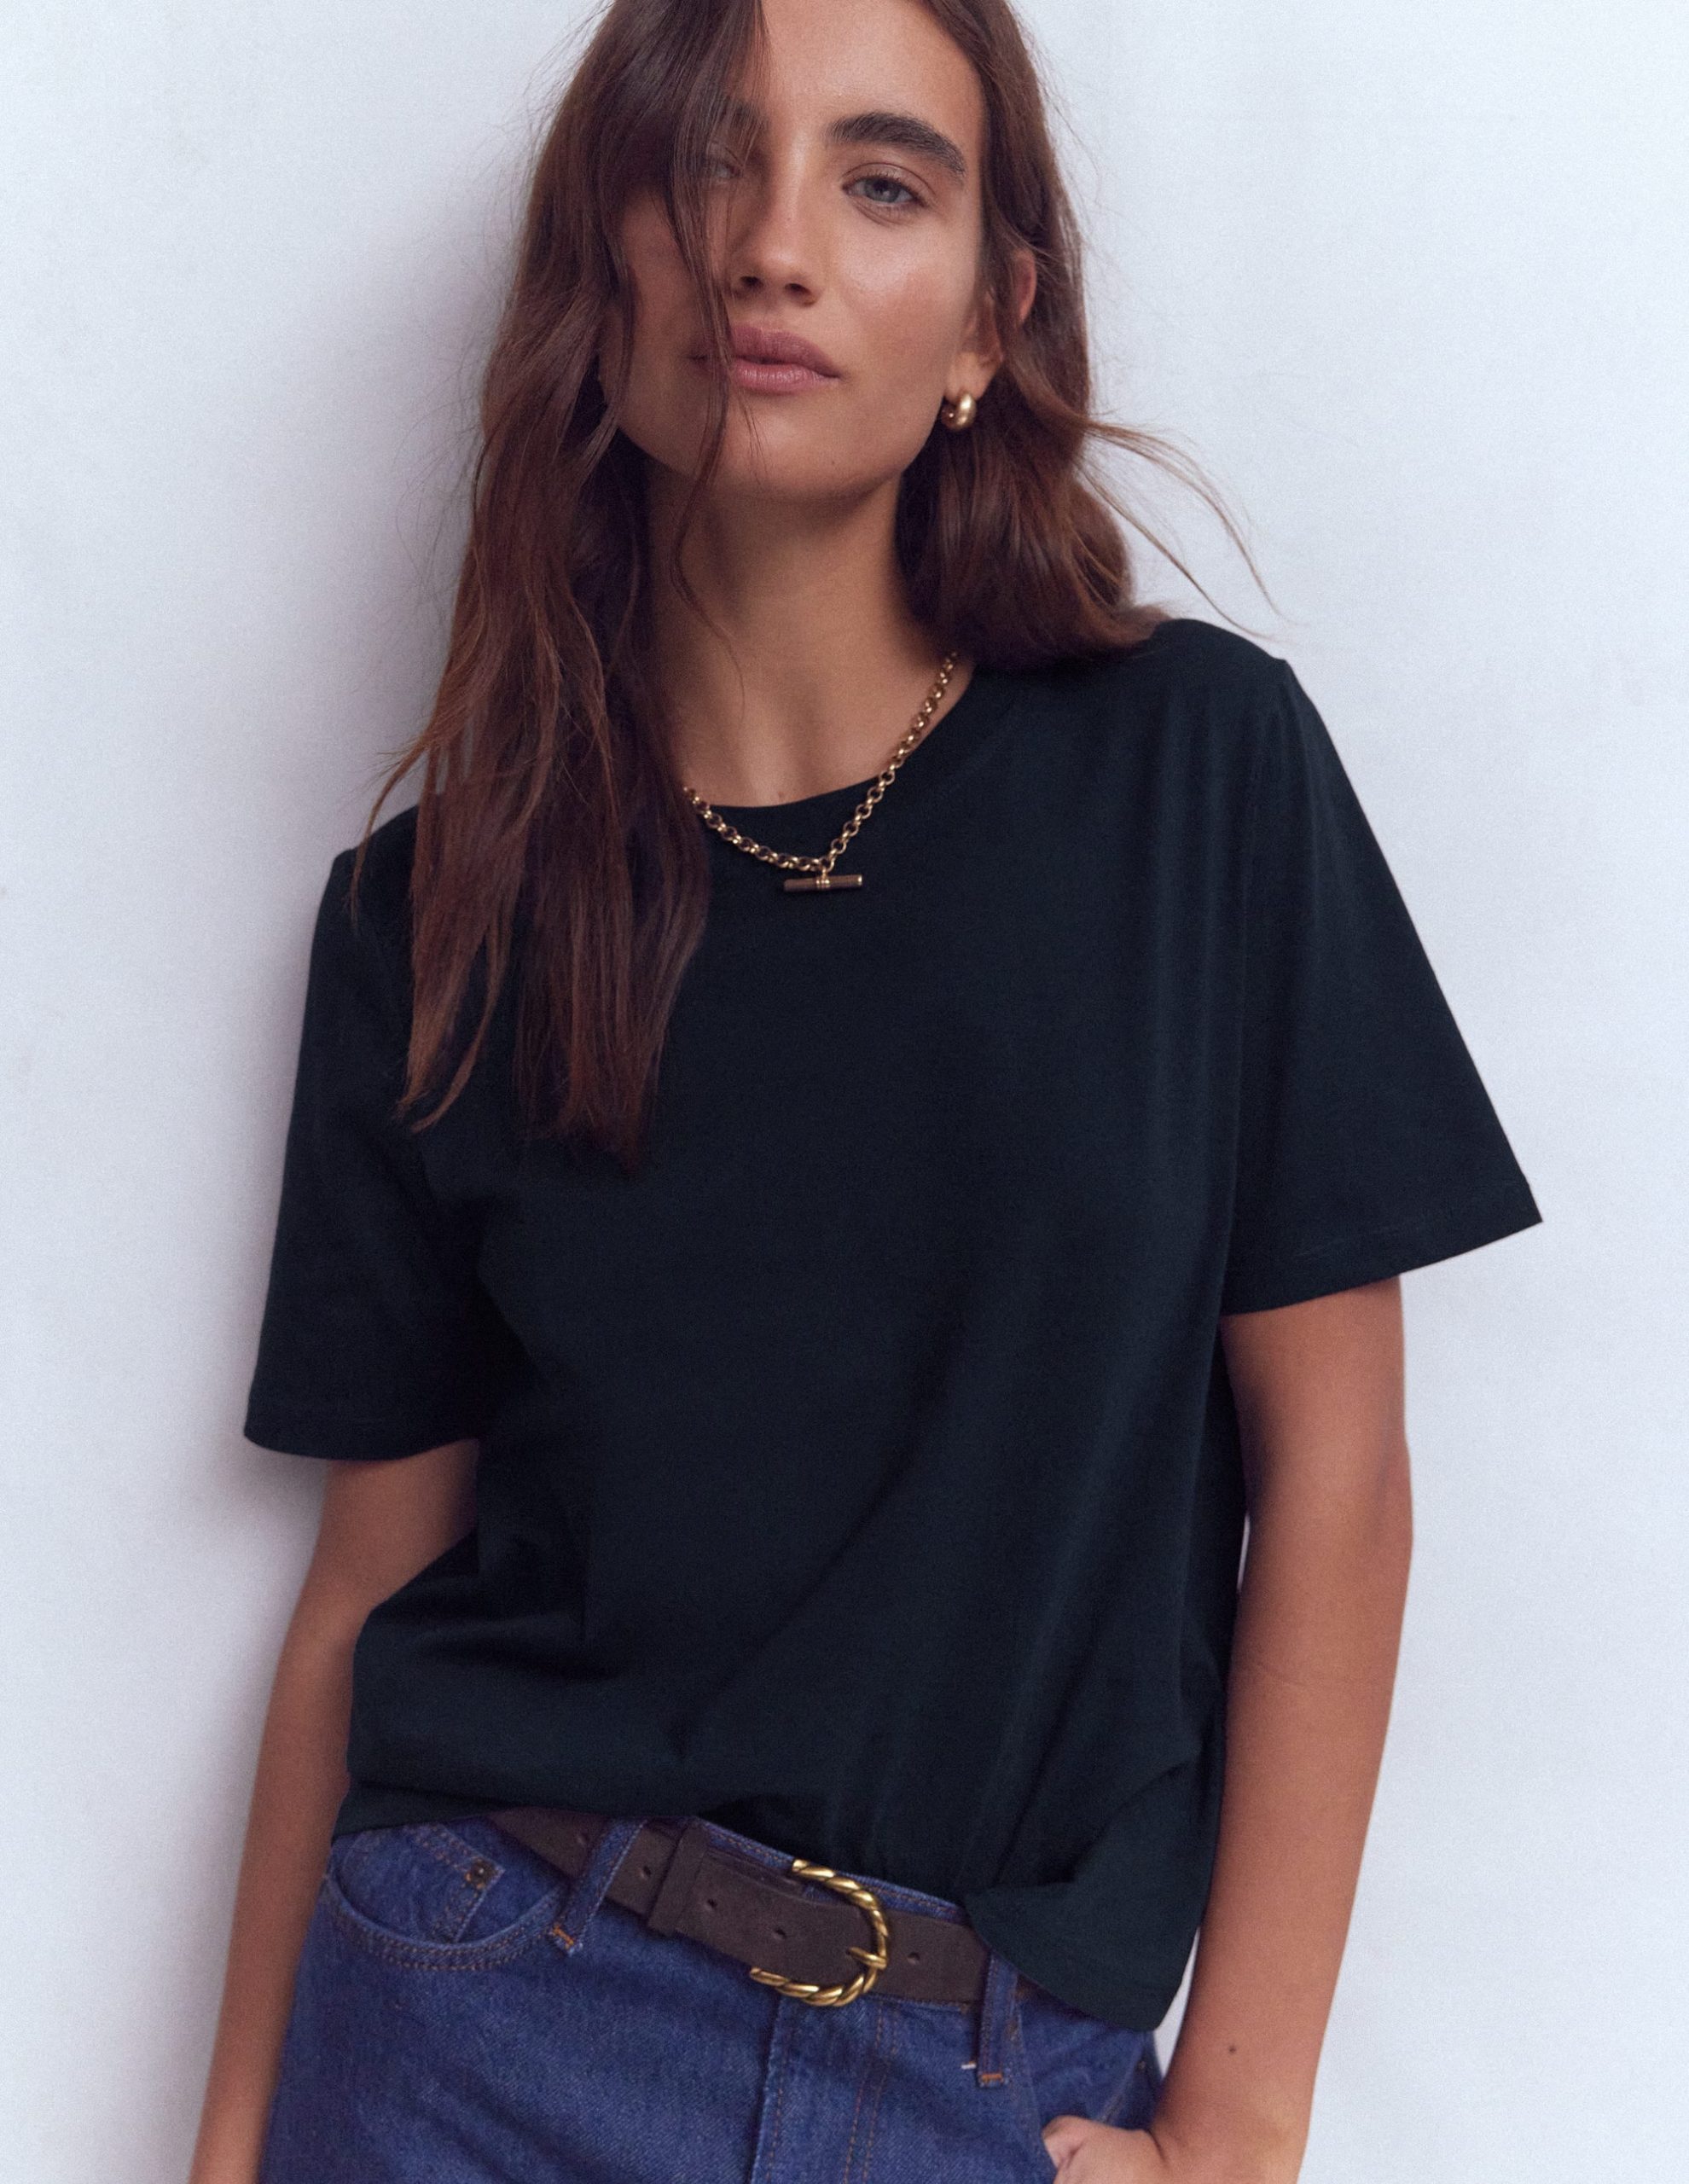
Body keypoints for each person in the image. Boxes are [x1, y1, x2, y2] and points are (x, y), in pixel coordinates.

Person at [189, 1, 1543, 2179]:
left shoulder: (1198, 780)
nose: (773, 244)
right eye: (705, 164)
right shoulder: (436, 912)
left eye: (881, 180)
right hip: (469, 2020)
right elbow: (366, 1583)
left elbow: (1342, 1473)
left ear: (992, 322)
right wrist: (234, 2138)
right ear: (605, 261)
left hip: (986, 2078)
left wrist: (1242, 2117)